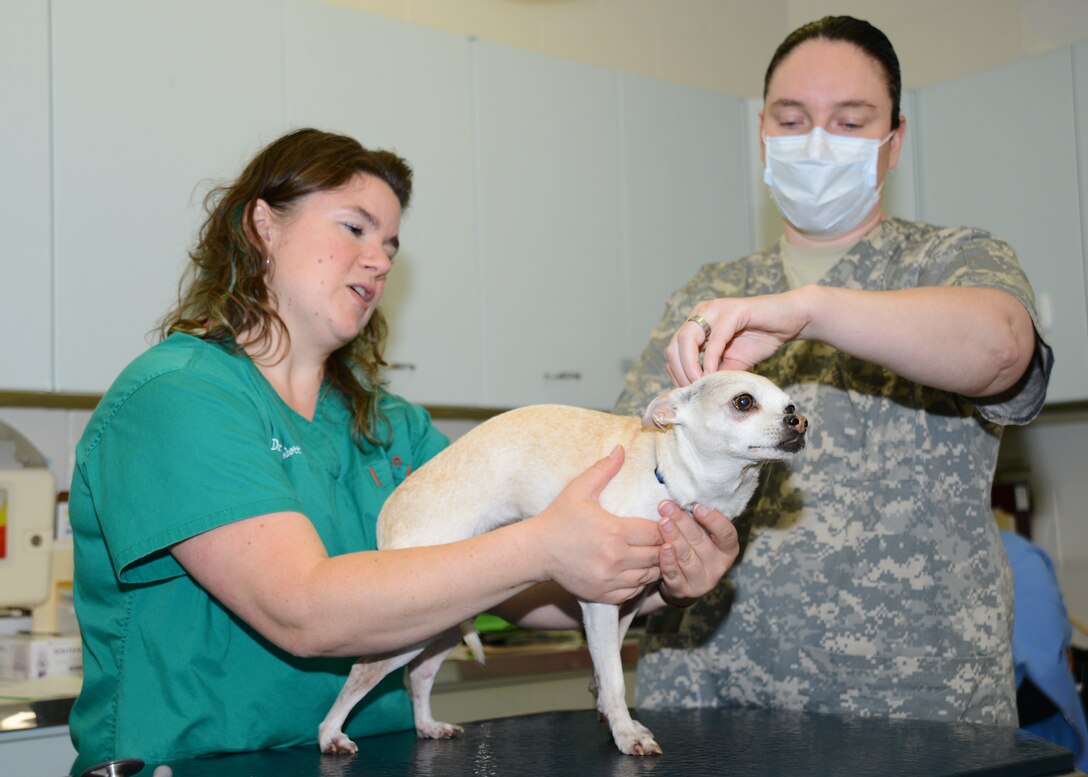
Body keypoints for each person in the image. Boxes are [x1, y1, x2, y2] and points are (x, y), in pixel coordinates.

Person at [67, 128, 740, 773]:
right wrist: (544, 543)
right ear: (264, 226)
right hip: (199, 768)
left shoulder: (392, 425)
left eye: (390, 243)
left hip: (377, 762)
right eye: (354, 228)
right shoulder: (178, 398)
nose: (381, 259)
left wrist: (663, 576)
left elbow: (527, 594)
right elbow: (302, 610)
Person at [616, 16, 1053, 726]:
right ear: (763, 130)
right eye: (792, 120)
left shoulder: (950, 262)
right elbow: (625, 474)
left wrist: (810, 309)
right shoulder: (710, 294)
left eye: (850, 122)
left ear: (894, 140)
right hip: (709, 706)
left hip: (916, 717)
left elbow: (1003, 348)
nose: (816, 143)